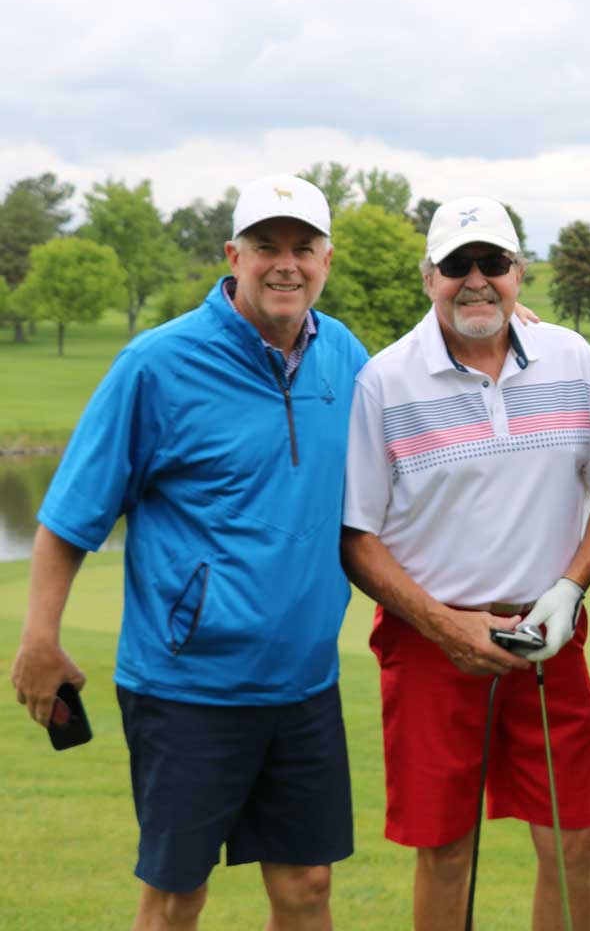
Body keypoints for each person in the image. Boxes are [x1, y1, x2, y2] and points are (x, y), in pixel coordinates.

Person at [10, 173, 369, 930]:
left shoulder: (345, 356)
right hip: (187, 688)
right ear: (232, 256)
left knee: (307, 887)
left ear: (326, 262)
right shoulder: (157, 364)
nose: (286, 264)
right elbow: (72, 516)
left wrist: (507, 331)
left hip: (304, 683)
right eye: (267, 246)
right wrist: (40, 638)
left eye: (303, 248)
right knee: (177, 897)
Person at [340, 195, 590, 931]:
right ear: (428, 276)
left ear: (518, 272)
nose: (476, 280)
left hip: (549, 636)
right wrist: (443, 626)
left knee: (574, 844)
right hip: (431, 644)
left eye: (492, 263)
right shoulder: (385, 380)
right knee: (444, 851)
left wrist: (570, 589)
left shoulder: (571, 358)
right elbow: (357, 538)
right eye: (457, 265)